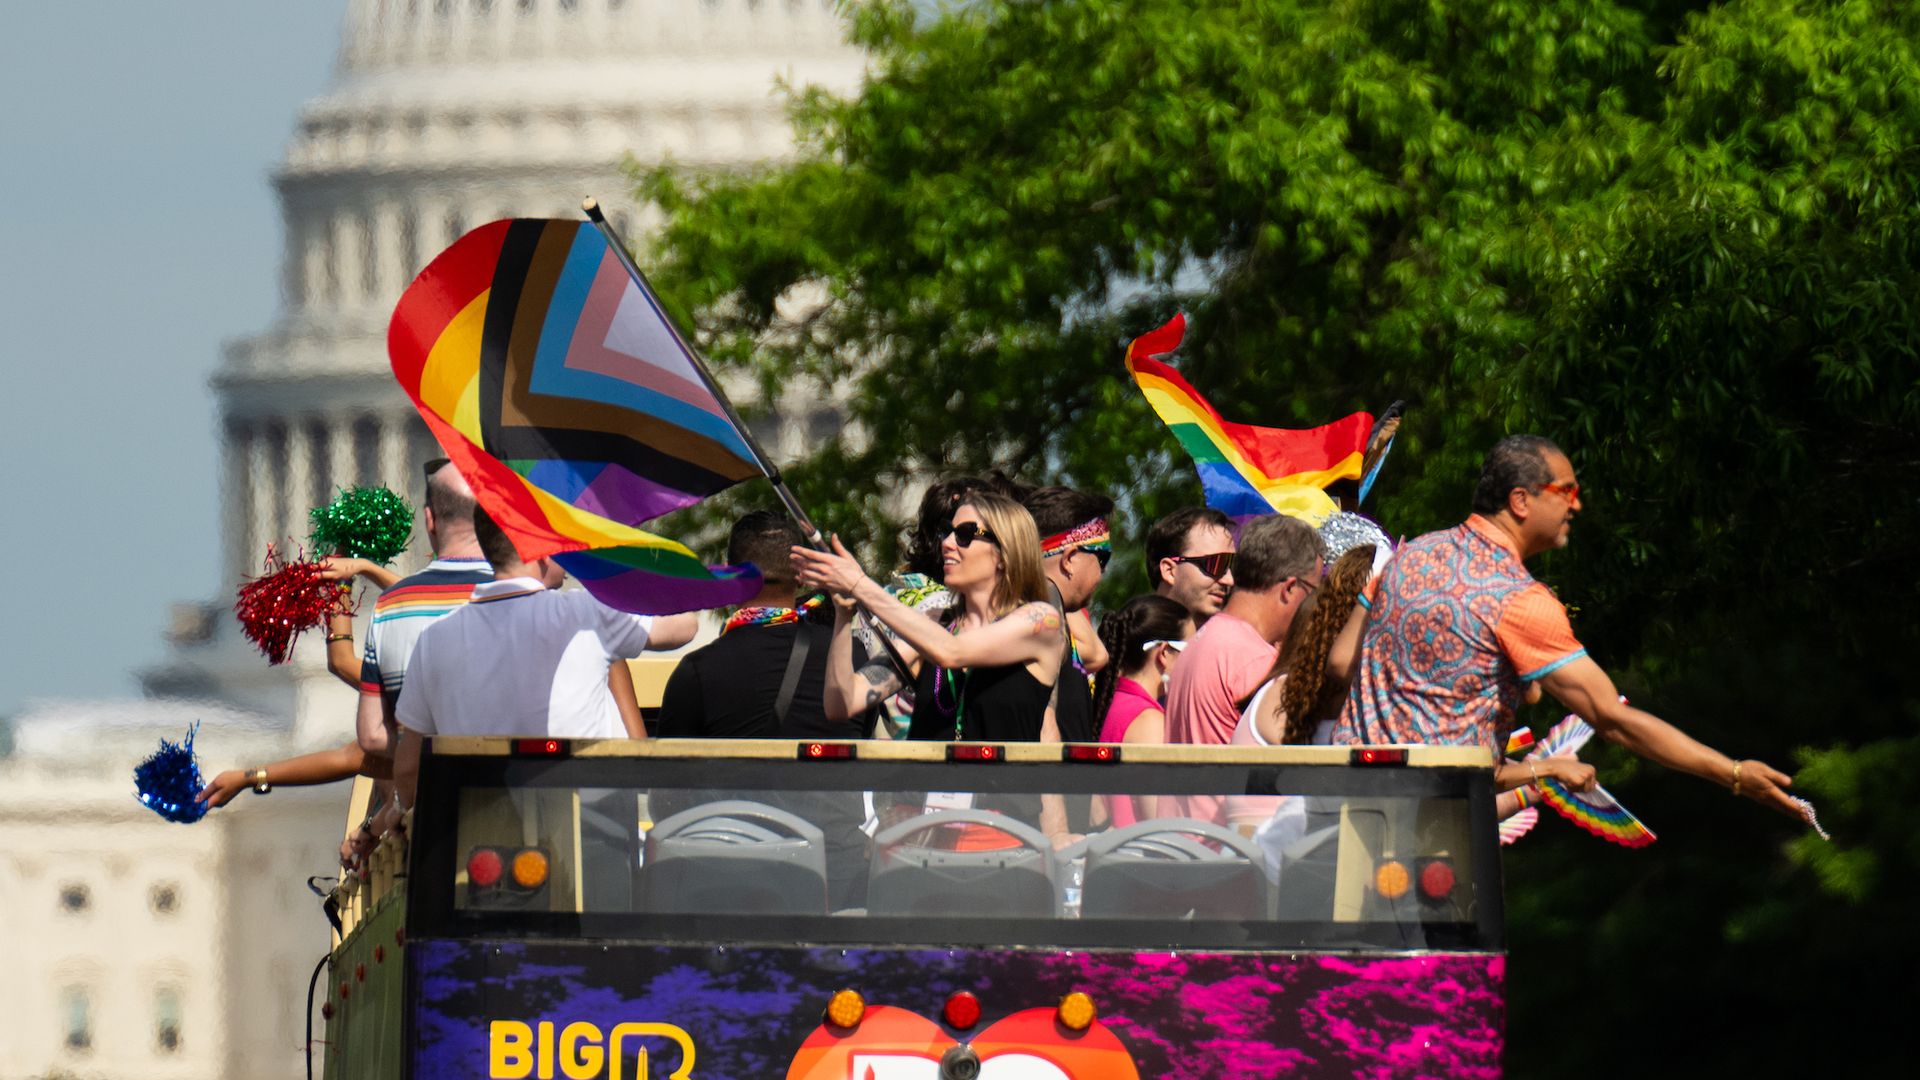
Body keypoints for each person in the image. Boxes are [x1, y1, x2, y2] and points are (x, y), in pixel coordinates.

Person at [1334, 435, 1799, 816]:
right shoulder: (1518, 599)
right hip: (1432, 822)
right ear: (1521, 500)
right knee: (1430, 935)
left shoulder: (1407, 556)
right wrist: (1734, 775)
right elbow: (1613, 720)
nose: (1576, 506)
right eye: (1566, 492)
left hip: (1344, 796)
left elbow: (1340, 663)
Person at [379, 508, 698, 829]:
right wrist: (623, 559)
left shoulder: (433, 638)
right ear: (541, 550)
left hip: (478, 834)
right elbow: (685, 626)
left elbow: (408, 771)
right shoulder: (585, 612)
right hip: (595, 833)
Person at [793, 493, 1071, 845]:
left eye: (966, 534)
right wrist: (843, 616)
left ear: (1004, 552)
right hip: (920, 834)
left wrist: (861, 585)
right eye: (948, 532)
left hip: (998, 836)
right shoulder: (936, 622)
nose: (948, 544)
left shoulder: (1039, 620)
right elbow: (841, 703)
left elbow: (952, 653)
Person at [658, 510, 868, 741]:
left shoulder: (697, 671)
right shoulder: (853, 655)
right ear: (802, 574)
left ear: (731, 575)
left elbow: (672, 769)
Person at [1164, 513, 1325, 748]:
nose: (1314, 606)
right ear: (1290, 588)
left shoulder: (1199, 641)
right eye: (1313, 593)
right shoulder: (1256, 661)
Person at [1022, 484, 1116, 744]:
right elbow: (1045, 729)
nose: (1102, 573)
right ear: (1070, 558)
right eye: (1102, 559)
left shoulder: (1046, 612)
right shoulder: (1044, 611)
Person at [1092, 594, 1192, 827]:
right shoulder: (1148, 721)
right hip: (1142, 858)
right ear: (1165, 653)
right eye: (1193, 647)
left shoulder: (1111, 702)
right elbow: (1160, 821)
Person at [1146, 506, 1238, 627]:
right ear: (1169, 571)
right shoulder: (1124, 641)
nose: (1229, 580)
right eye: (1215, 564)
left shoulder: (1242, 642)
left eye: (1231, 565)